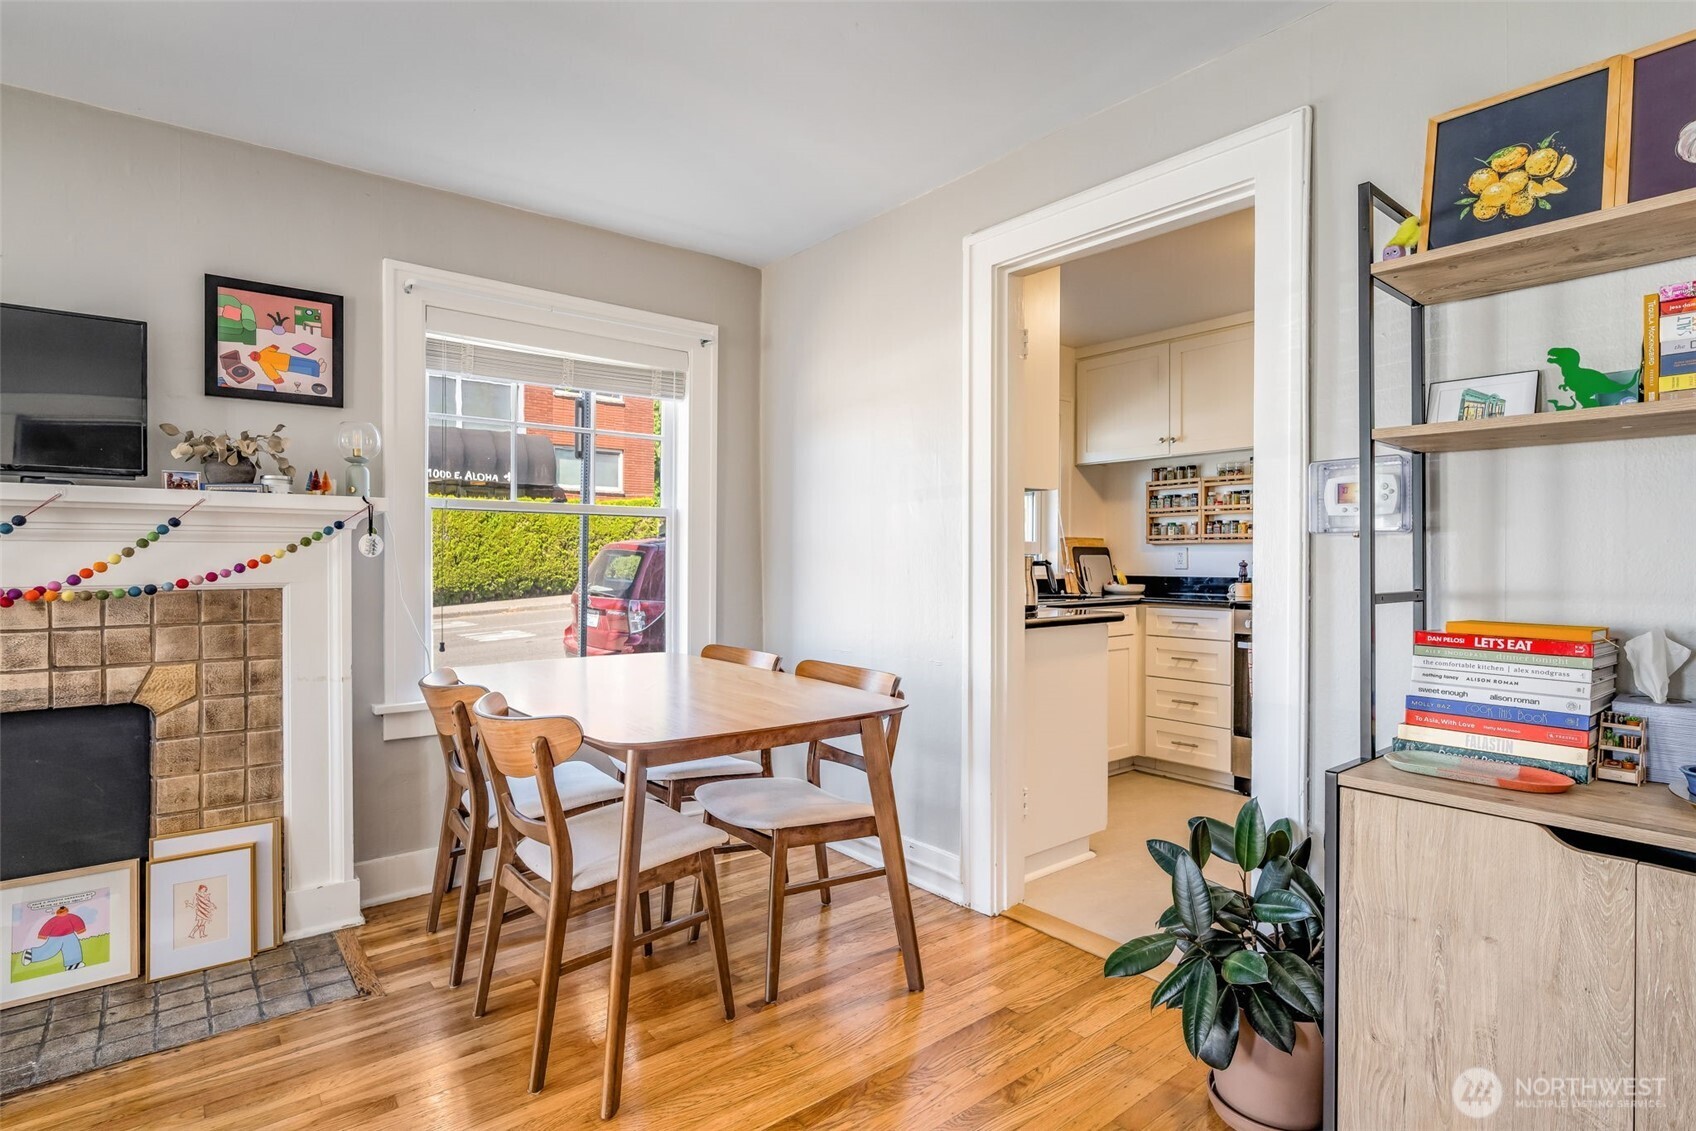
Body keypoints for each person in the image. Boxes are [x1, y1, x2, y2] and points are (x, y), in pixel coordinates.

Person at [19, 905, 87, 970]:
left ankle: (73, 964)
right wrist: (43, 935)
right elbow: (47, 927)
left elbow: (77, 921)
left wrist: (80, 930)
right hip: (55, 937)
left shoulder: (71, 917)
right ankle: (30, 954)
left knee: (72, 947)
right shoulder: (54, 920)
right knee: (50, 950)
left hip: (69, 935)